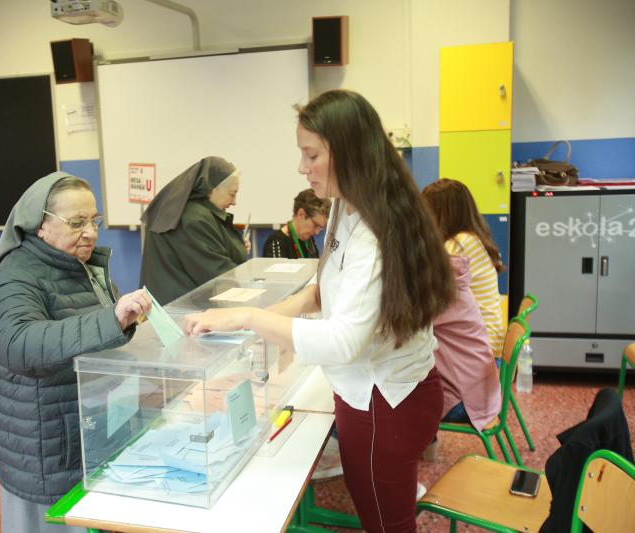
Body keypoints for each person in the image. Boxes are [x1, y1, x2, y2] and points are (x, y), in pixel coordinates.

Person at [184, 90, 455, 532]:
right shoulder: (347, 206)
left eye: (311, 155)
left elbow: (344, 341)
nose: (301, 167)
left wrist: (249, 318)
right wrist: (270, 318)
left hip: (384, 403)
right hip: (382, 393)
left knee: (386, 524)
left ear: (348, 153)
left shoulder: (373, 234)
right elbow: (324, 289)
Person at [0, 172, 151, 533]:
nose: (91, 232)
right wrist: (112, 319)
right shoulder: (17, 273)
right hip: (48, 447)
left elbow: (98, 336)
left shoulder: (81, 264)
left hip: (86, 430)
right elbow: (17, 343)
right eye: (76, 222)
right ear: (41, 225)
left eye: (94, 220)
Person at [139, 156, 248, 305]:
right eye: (232, 193)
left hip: (168, 304)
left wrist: (238, 246)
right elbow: (216, 272)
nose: (234, 201)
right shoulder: (194, 218)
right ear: (212, 189)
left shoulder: (184, 210)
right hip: (179, 308)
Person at [422, 178, 505, 361]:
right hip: (483, 336)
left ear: (442, 213)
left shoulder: (460, 243)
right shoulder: (470, 238)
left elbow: (429, 287)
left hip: (480, 344)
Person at [434, 255, 501, 430]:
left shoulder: (438, 289)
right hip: (482, 392)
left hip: (466, 403)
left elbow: (401, 328)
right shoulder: (450, 276)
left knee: (397, 400)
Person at [262, 188, 330, 259]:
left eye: (321, 228)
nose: (317, 232)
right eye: (315, 225)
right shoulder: (276, 243)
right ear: (301, 214)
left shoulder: (309, 240)